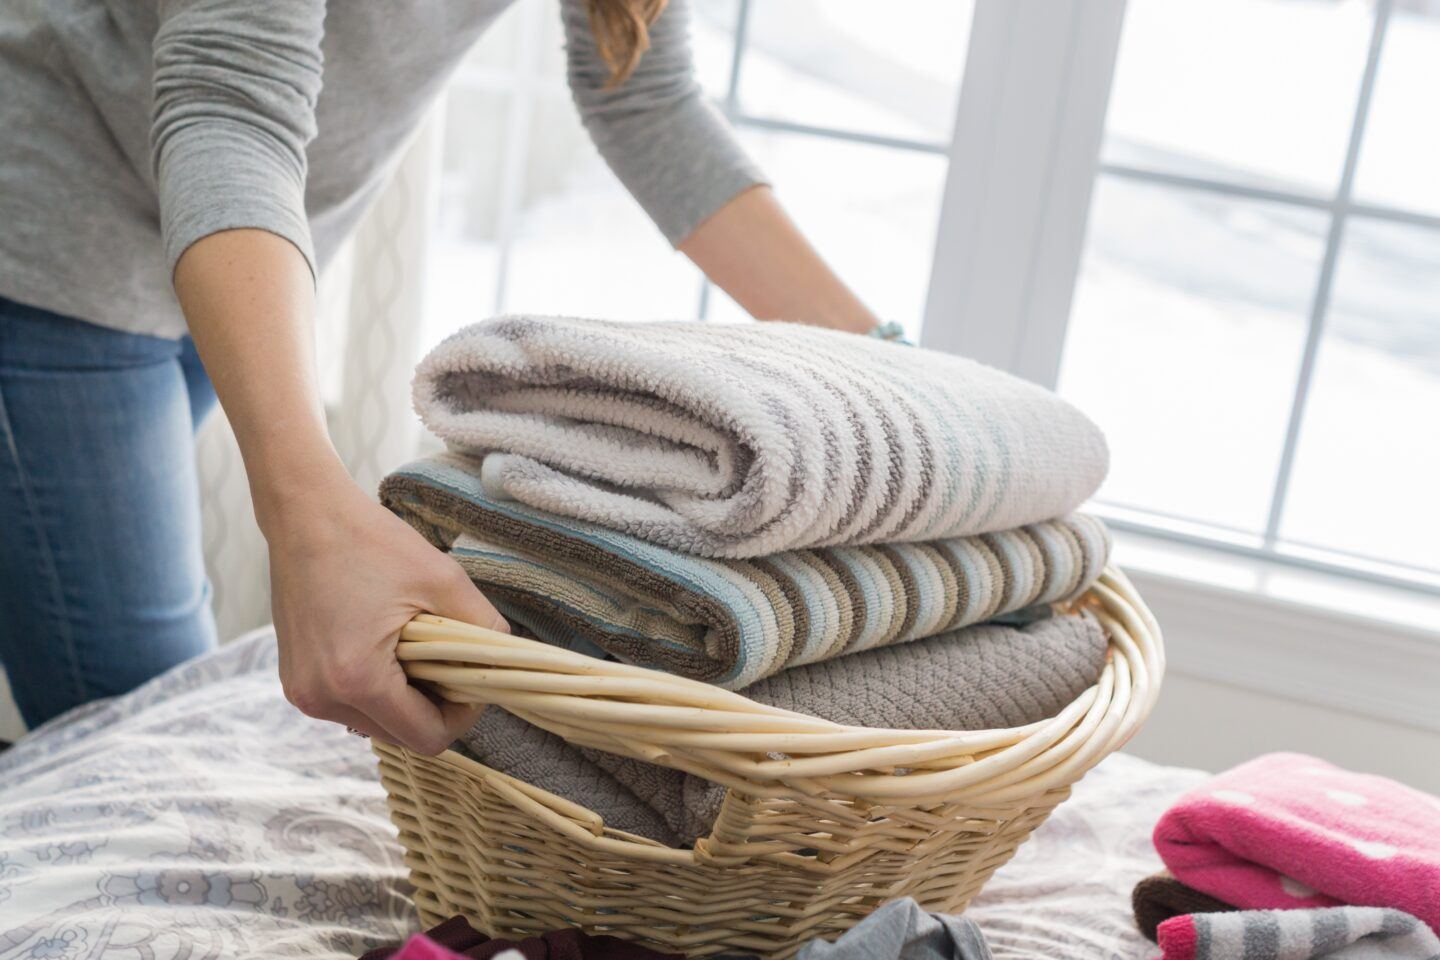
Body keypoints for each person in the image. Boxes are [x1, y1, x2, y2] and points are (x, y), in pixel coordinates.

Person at [0, 0, 880, 749]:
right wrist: (311, 519)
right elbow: (230, 100)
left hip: (236, 261)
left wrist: (884, 369)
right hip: (50, 247)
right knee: (144, 738)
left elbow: (643, 93)